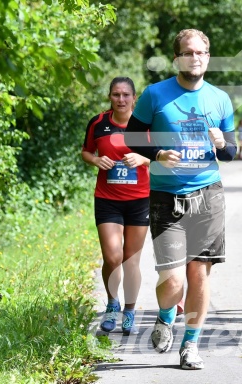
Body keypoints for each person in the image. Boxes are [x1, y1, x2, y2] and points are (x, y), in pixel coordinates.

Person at [124, 28, 236, 370]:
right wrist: (156, 153)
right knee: (172, 280)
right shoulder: (155, 95)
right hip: (166, 196)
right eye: (188, 52)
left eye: (201, 52)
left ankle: (190, 345)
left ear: (208, 57)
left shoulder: (220, 99)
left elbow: (231, 152)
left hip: (208, 194)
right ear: (177, 58)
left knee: (200, 274)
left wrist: (221, 144)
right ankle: (164, 314)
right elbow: (131, 136)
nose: (195, 57)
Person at [81, 77, 150, 336]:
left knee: (131, 260)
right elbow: (86, 151)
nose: (121, 99)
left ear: (135, 98)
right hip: (108, 199)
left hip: (139, 199)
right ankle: (112, 304)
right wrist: (96, 161)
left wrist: (142, 158)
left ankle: (129, 310)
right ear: (110, 96)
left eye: (125, 95)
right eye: (116, 94)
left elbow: (163, 159)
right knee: (113, 257)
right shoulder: (98, 123)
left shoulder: (146, 125)